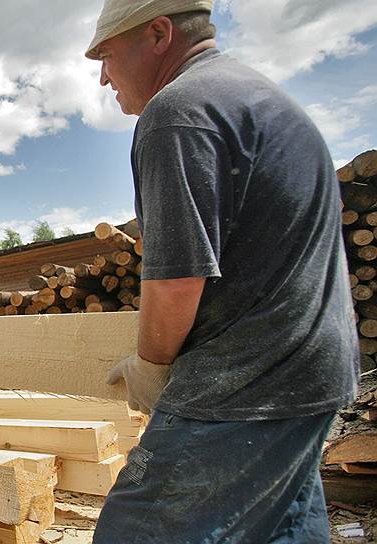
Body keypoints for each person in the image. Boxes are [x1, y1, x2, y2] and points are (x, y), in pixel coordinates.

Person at [85, 1, 359, 541]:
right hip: (313, 368)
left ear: (159, 34)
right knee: (279, 531)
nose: (101, 76)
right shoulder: (255, 96)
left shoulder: (178, 112)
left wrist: (152, 365)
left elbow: (177, 277)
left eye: (108, 55)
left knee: (137, 531)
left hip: (244, 382)